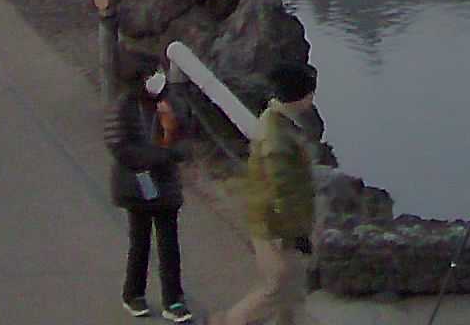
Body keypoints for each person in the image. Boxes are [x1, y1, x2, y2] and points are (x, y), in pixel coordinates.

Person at [217, 63, 321, 325]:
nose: (312, 99)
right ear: (300, 96)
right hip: (274, 225)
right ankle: (229, 321)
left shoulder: (277, 121)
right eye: (310, 94)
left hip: (275, 222)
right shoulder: (276, 135)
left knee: (292, 288)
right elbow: (282, 189)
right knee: (277, 286)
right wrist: (298, 233)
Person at [109, 65, 193, 321]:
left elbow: (186, 131)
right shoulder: (124, 106)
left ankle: (173, 299)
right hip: (137, 184)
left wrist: (171, 122)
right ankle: (133, 294)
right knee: (140, 242)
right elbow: (120, 146)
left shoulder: (170, 101)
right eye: (148, 76)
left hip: (165, 184)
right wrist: (162, 155)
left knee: (169, 244)